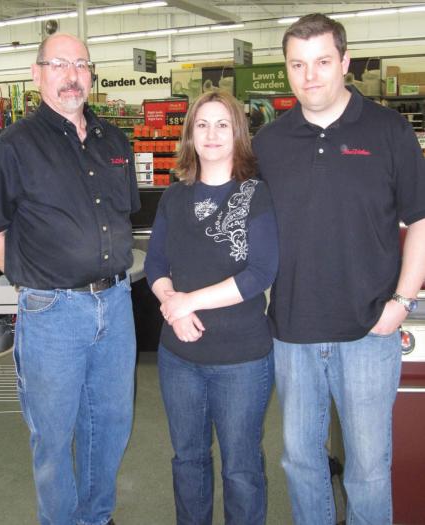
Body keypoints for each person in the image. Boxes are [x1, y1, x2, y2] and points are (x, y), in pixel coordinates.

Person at [252, 13, 425, 525]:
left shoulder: (390, 130)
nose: (309, 76)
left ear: (345, 62)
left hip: (369, 329)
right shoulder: (268, 143)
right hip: (293, 331)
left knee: (368, 469)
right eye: (297, 65)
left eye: (322, 62)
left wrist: (401, 302)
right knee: (300, 461)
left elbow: (420, 219)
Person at [0, 33, 140, 525]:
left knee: (110, 425)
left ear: (91, 74)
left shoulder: (115, 141)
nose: (72, 76)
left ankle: (96, 517)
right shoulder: (10, 148)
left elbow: (123, 215)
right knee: (53, 434)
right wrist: (35, 282)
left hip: (117, 303)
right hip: (52, 312)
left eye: (81, 65)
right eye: (60, 64)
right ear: (37, 73)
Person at [144, 90, 279, 525]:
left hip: (241, 359)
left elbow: (261, 272)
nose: (212, 133)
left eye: (222, 124)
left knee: (241, 468)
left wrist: (190, 302)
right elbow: (155, 263)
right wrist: (174, 306)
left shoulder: (255, 194)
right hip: (179, 357)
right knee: (188, 460)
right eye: (202, 124)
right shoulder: (174, 196)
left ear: (238, 133)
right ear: (190, 135)